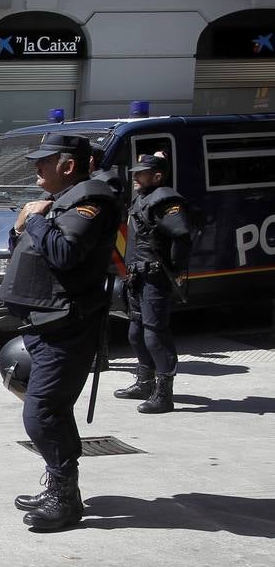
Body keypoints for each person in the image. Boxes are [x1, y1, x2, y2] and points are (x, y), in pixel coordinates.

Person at [0, 133, 121, 533]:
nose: (36, 166)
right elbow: (32, 249)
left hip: (66, 327)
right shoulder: (62, 200)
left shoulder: (90, 202)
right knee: (51, 410)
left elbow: (65, 253)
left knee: (42, 413)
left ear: (68, 165)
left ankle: (65, 500)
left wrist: (35, 220)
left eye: (44, 160)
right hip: (45, 322)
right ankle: (59, 487)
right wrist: (22, 226)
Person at [115, 152, 192, 414]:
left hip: (155, 277)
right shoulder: (142, 198)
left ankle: (164, 393)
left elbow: (181, 234)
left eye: (141, 173)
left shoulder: (166, 200)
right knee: (135, 333)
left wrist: (175, 269)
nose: (135, 177)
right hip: (137, 276)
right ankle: (144, 382)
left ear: (157, 176)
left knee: (155, 335)